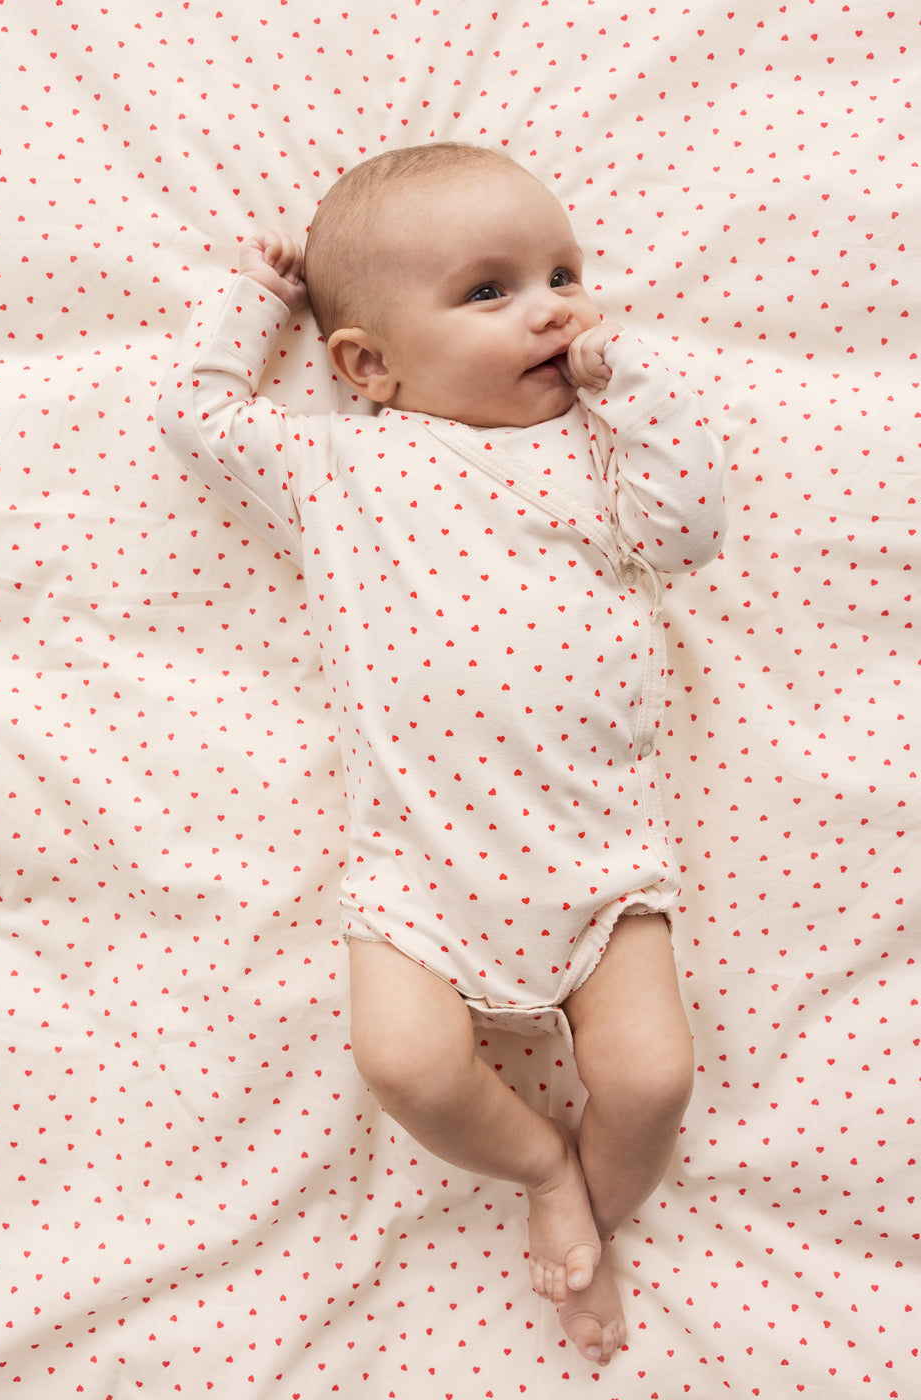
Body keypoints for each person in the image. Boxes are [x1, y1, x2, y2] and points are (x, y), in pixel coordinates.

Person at [158, 142, 726, 1365]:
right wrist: (259, 302)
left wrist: (634, 388)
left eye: (563, 274)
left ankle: (591, 1209)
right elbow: (195, 419)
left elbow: (686, 534)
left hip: (595, 849)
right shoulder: (337, 463)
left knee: (653, 1079)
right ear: (367, 365)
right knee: (406, 1063)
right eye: (489, 290)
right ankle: (535, 1162)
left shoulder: (592, 452)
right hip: (418, 861)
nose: (554, 308)